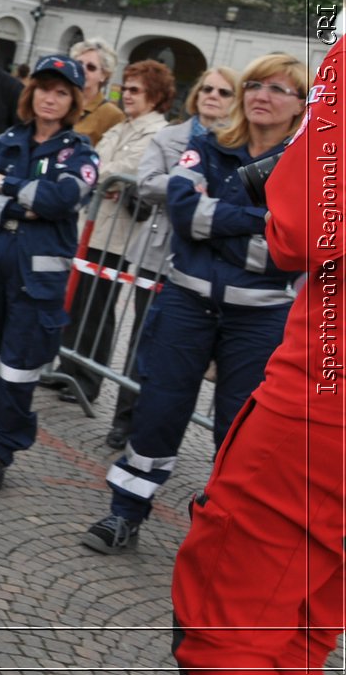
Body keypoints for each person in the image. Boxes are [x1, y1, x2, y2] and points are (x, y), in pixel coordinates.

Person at [83, 52, 308, 554]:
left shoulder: (306, 167)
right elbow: (184, 214)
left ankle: (224, 531)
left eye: (277, 89)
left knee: (241, 431)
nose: (261, 97)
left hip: (261, 316)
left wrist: (220, 223)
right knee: (158, 411)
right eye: (254, 85)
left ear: (299, 105)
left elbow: (290, 247)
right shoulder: (207, 146)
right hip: (186, 302)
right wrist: (254, 222)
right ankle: (125, 513)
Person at [170, 38, 343, 670]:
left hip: (325, 396)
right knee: (311, 609)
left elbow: (298, 229)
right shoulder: (213, 145)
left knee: (235, 612)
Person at [0, 54, 99, 490]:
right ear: (31, 94)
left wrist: (5, 187)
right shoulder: (4, 141)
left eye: (61, 91)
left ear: (74, 100)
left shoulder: (79, 153)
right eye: (44, 88)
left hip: (37, 273)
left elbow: (60, 200)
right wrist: (23, 202)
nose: (50, 97)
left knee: (18, 365)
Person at [102, 65, 238, 448]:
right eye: (207, 88)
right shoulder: (170, 136)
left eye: (224, 92)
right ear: (195, 94)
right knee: (142, 341)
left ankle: (161, 426)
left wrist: (188, 190)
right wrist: (193, 185)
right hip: (157, 251)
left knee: (183, 350)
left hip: (206, 259)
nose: (213, 95)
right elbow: (145, 184)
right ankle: (124, 419)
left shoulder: (238, 143)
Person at [56, 59, 175, 404]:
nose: (127, 95)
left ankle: (88, 378)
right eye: (125, 88)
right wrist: (99, 176)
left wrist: (101, 177)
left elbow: (116, 171)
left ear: (154, 96)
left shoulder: (156, 132)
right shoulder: (122, 126)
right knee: (76, 302)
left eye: (135, 90)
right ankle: (67, 367)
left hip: (117, 235)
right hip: (90, 226)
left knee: (97, 308)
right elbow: (93, 166)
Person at [70, 37, 124, 144]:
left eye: (91, 67)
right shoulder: (60, 99)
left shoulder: (113, 115)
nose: (82, 69)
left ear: (104, 75)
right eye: (79, 63)